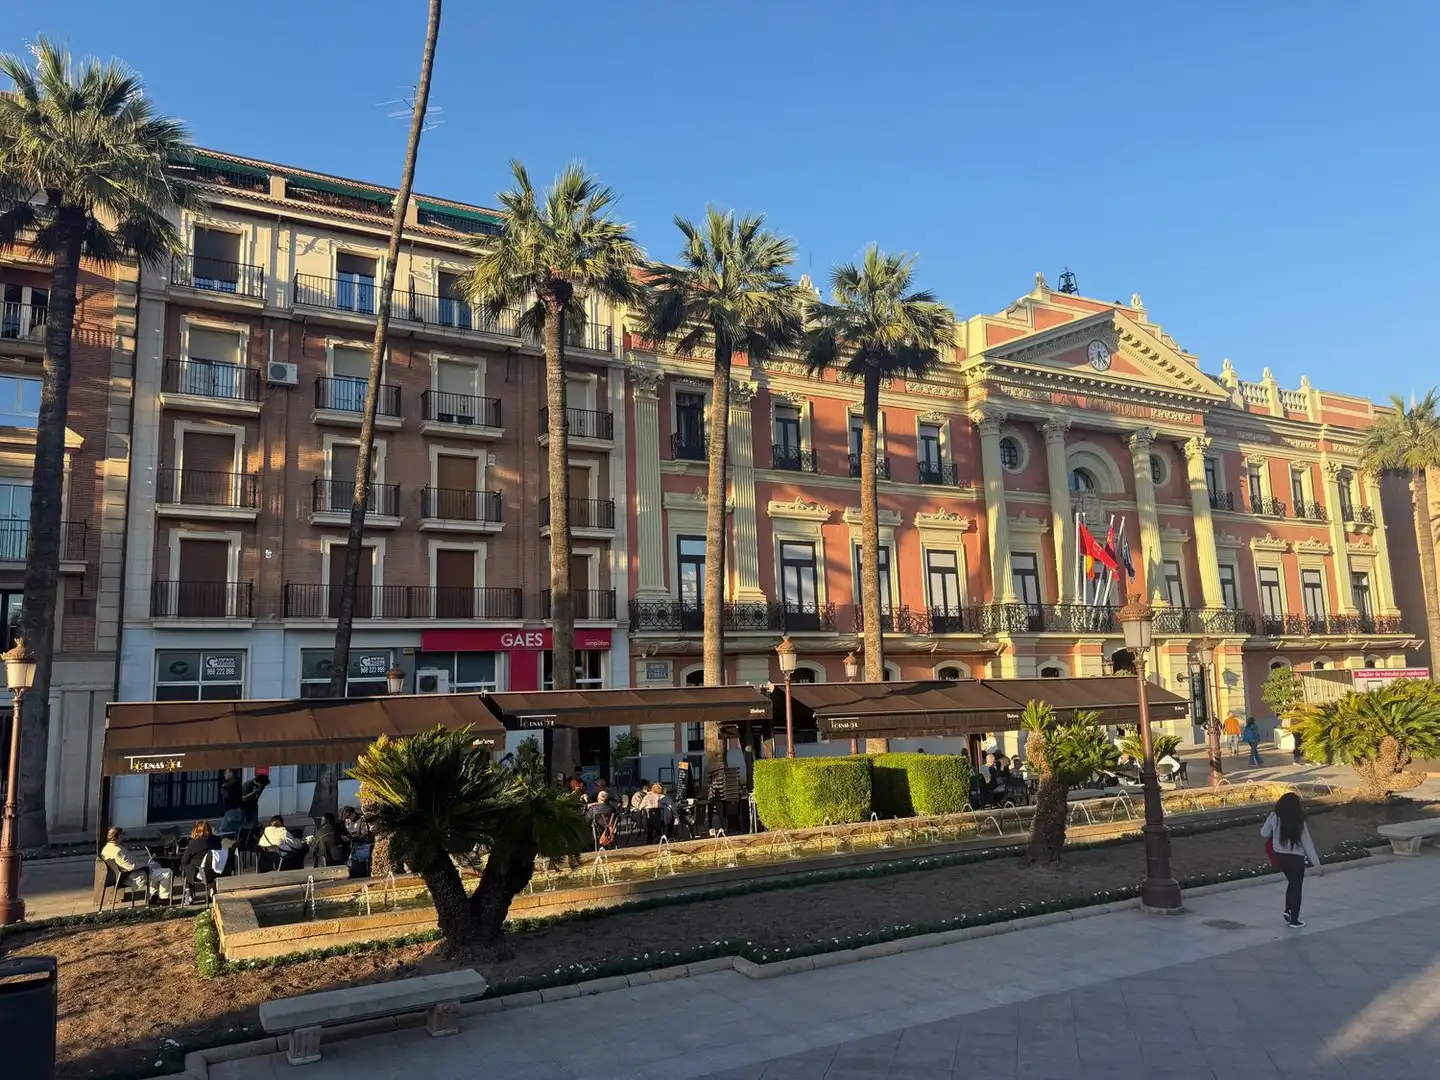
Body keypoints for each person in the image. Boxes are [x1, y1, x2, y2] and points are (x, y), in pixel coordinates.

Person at [1261, 792, 1323, 927]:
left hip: (1280, 857)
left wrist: (1271, 824)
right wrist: (1316, 863)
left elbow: (1264, 833)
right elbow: (1307, 843)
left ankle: (1288, 911)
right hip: (1296, 859)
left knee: (1292, 883)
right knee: (1296, 886)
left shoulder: (1274, 817)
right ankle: (1294, 918)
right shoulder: (1299, 820)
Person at [101, 826, 173, 902]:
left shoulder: (106, 848)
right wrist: (144, 864)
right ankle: (164, 899)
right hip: (133, 877)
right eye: (123, 834)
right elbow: (130, 866)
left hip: (121, 875)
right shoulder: (118, 850)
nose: (123, 836)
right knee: (167, 872)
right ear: (118, 836)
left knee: (156, 867)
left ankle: (153, 896)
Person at [180, 821, 227, 903]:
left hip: (199, 873)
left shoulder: (193, 844)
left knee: (186, 867)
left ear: (196, 831)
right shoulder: (217, 840)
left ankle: (189, 893)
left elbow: (184, 861)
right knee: (204, 868)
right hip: (216, 869)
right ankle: (211, 890)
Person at [340, 806, 372, 875]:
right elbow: (346, 832)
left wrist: (355, 839)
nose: (349, 819)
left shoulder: (361, 819)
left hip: (363, 845)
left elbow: (365, 834)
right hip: (352, 845)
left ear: (353, 813)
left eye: (349, 816)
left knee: (361, 863)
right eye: (347, 818)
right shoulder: (347, 821)